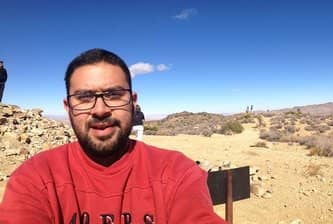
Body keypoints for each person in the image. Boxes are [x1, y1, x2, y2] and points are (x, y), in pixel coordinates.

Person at [0, 49, 225, 223]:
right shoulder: (35, 178)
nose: (100, 110)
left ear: (132, 102)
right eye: (85, 97)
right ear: (68, 107)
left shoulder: (177, 173)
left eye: (114, 94)